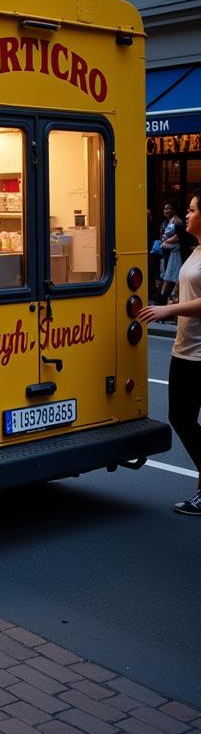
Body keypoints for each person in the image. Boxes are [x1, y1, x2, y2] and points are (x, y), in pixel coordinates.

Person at [139, 190, 201, 516]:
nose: (186, 215)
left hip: (198, 355)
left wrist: (168, 310)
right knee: (183, 418)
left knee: (181, 418)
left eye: (191, 210)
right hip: (184, 349)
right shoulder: (195, 249)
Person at [159, 201, 190, 305]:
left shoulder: (178, 222)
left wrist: (166, 242)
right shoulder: (167, 221)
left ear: (174, 210)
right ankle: (166, 300)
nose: (166, 211)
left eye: (168, 208)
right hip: (167, 253)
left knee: (172, 278)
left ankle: (167, 301)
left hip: (175, 254)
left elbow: (178, 237)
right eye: (165, 209)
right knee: (165, 276)